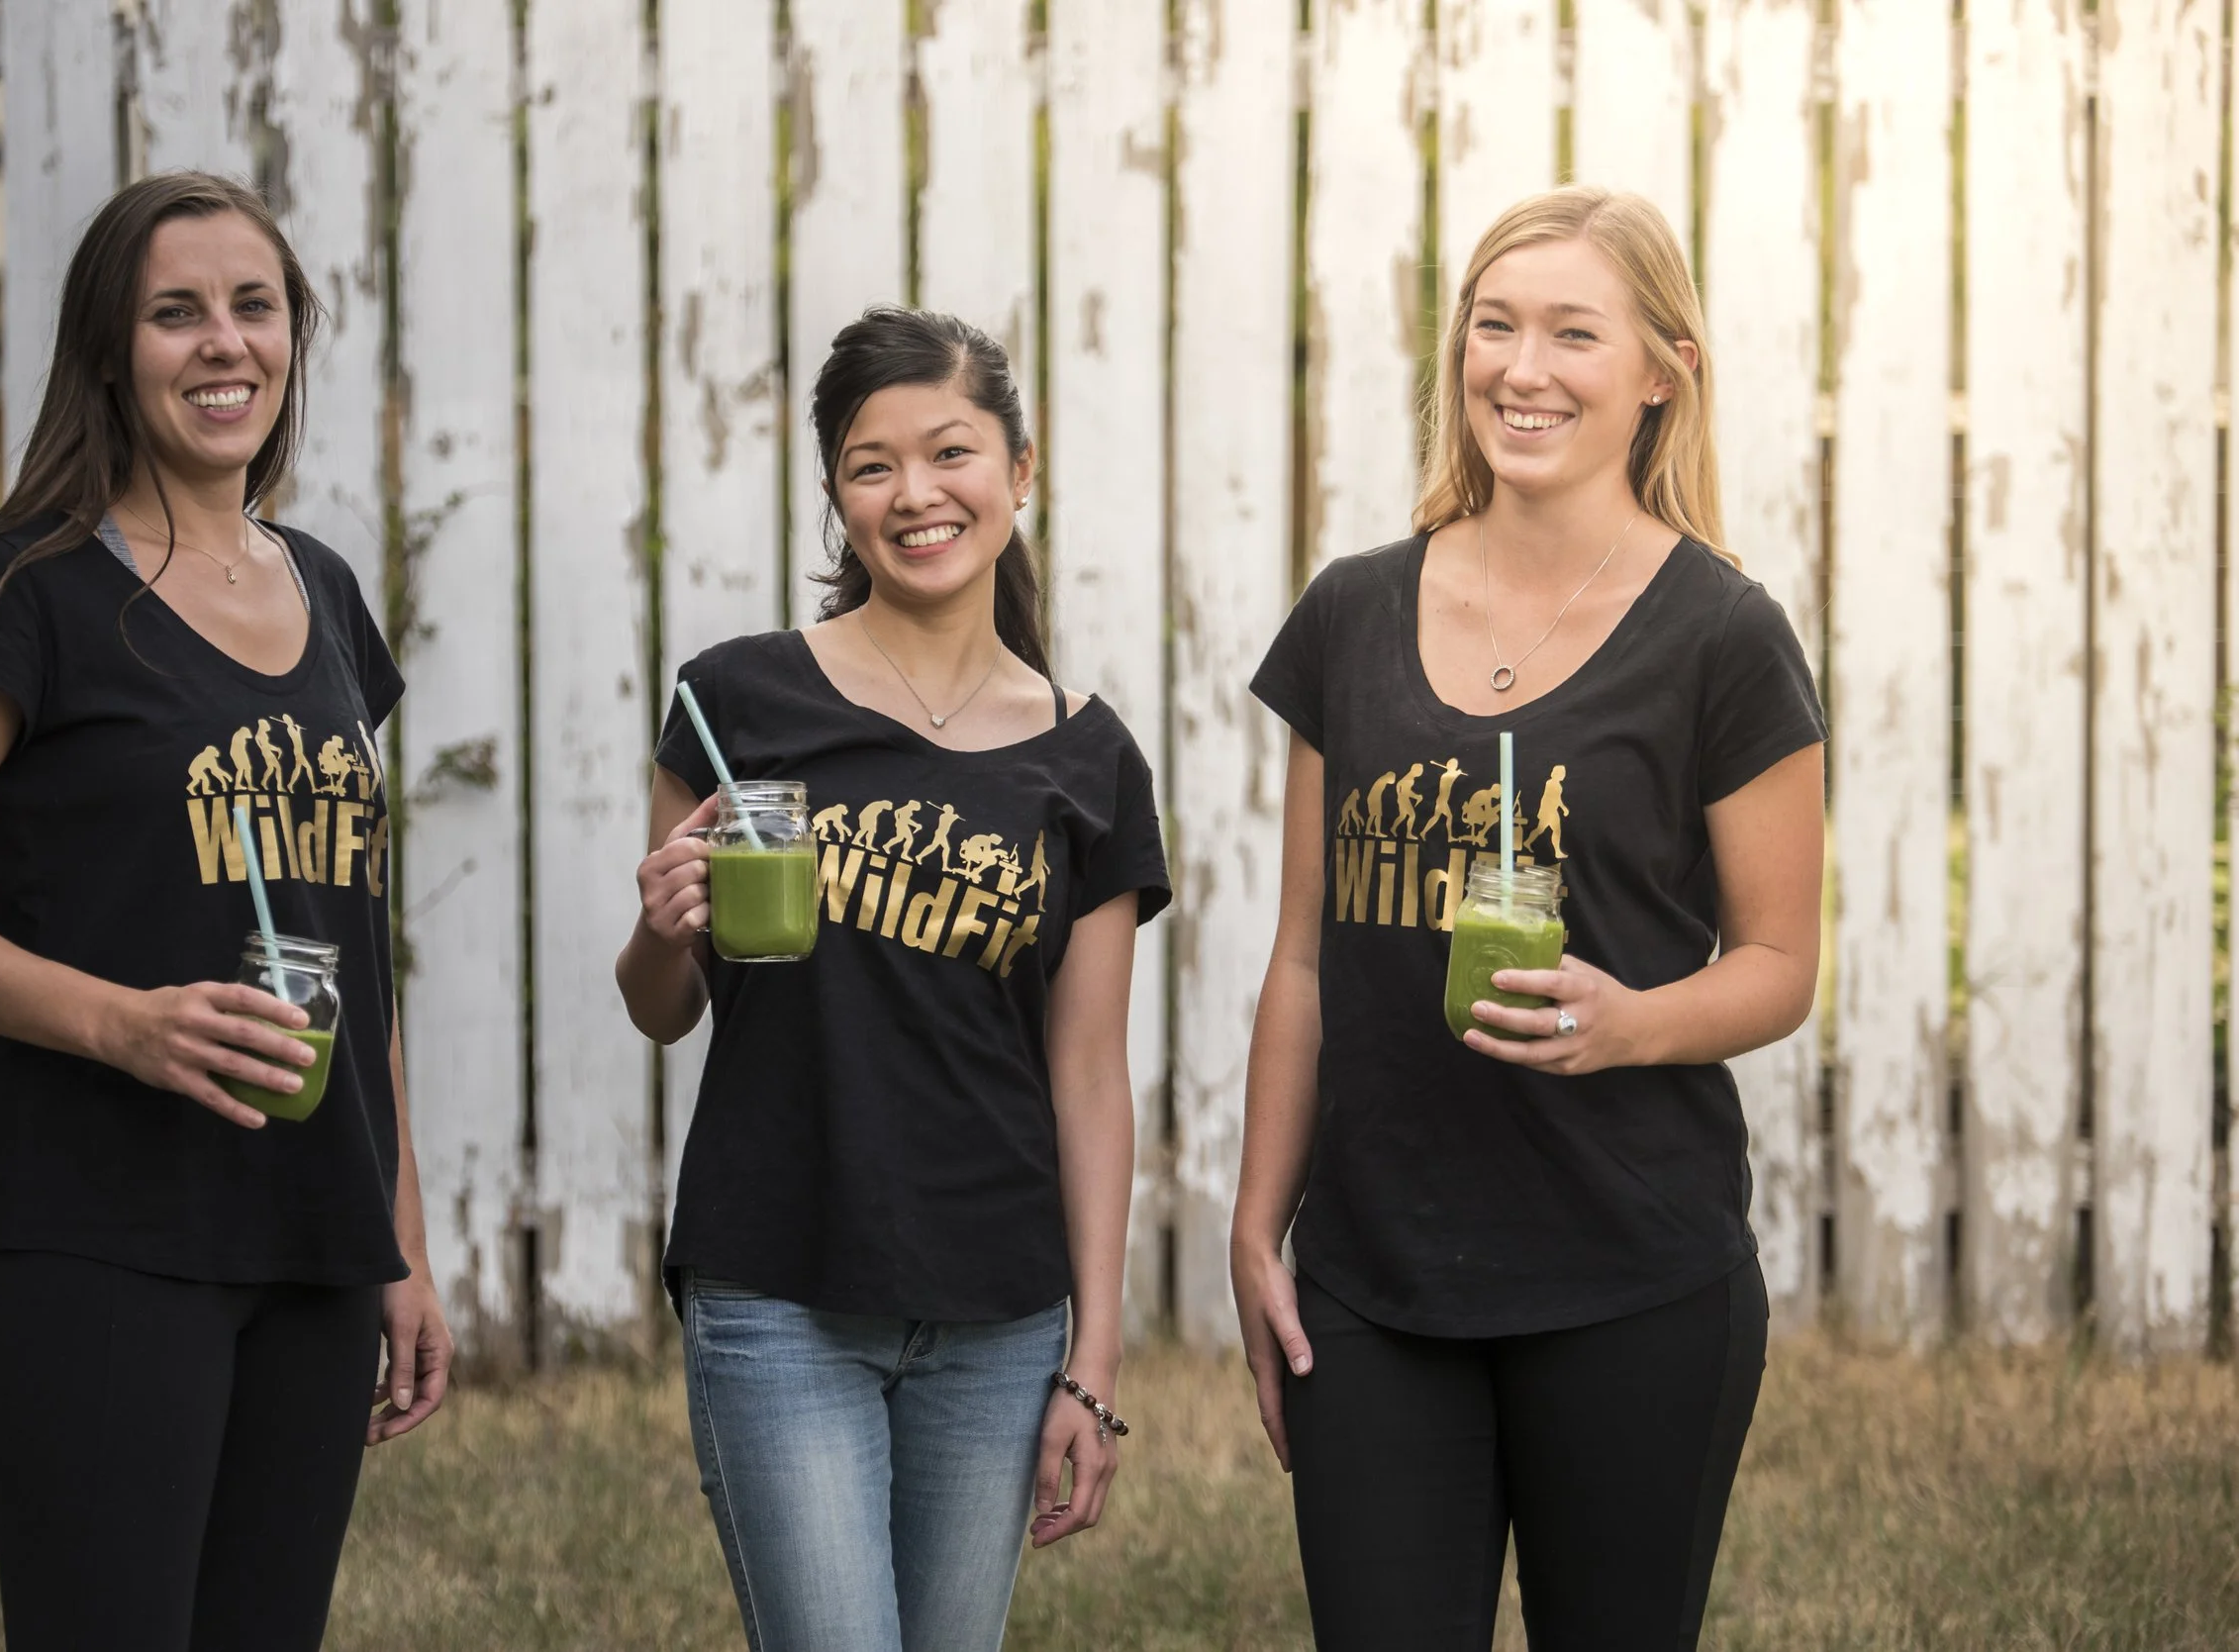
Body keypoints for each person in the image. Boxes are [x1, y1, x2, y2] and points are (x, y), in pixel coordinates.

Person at [0, 171, 448, 1652]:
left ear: (294, 338)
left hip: (308, 1239)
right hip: (100, 1232)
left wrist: (397, 1238)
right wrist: (123, 1023)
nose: (223, 343)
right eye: (177, 313)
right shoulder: (21, 589)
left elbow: (350, 935)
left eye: (255, 306)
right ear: (111, 349)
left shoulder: (328, 592)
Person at [1231, 186, 1826, 1650]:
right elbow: (1304, 956)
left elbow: (1779, 967)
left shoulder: (1723, 637)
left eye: (1574, 333)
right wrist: (1259, 1229)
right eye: (1494, 327)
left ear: (1661, 373)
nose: (1524, 368)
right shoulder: (1351, 615)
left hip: (1630, 1273)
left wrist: (1631, 1024)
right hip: (1375, 1282)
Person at [617, 306, 1169, 1651]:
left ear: (1019, 474)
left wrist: (1089, 1366)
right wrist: (658, 927)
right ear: (837, 499)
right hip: (780, 1288)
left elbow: (1090, 1080)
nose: (916, 494)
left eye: (952, 453)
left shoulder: (1089, 762)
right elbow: (660, 1005)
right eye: (873, 465)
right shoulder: (734, 701)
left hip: (997, 1312)